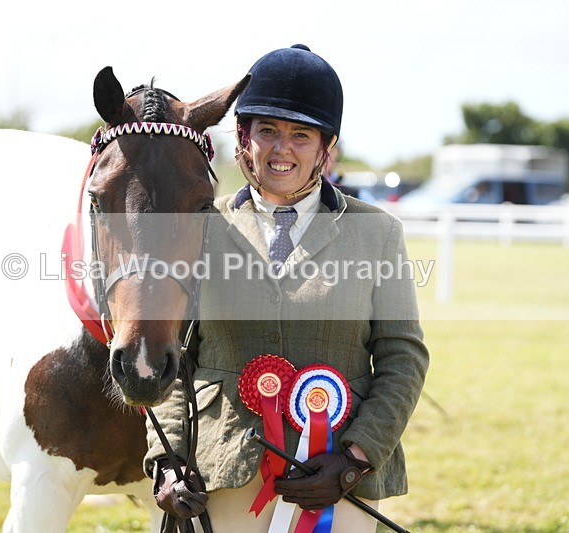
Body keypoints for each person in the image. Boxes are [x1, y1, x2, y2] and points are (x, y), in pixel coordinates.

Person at [145, 44, 429, 533]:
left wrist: (355, 458)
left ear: (327, 148)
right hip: (220, 471)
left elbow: (403, 358)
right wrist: (167, 459)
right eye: (268, 131)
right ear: (242, 136)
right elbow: (173, 359)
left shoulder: (378, 233)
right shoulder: (201, 230)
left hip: (334, 475)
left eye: (301, 135)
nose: (282, 149)